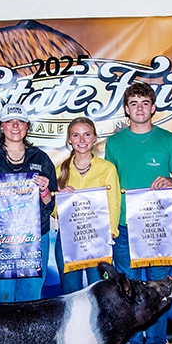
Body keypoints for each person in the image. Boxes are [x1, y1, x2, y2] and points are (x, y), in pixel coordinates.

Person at [105, 81, 172, 344]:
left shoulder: (169, 140)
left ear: (153, 108)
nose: (139, 109)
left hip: (158, 226)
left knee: (158, 288)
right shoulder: (114, 143)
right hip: (126, 226)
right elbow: (109, 184)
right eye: (133, 104)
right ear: (126, 110)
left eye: (144, 103)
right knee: (127, 288)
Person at [0, 103, 57, 302]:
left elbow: (50, 206)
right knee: (1, 301)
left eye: (20, 121)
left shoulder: (41, 159)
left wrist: (44, 191)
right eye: (9, 121)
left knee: (31, 300)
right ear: (1, 126)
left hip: (33, 241)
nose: (15, 126)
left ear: (27, 126)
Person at [53, 117, 120, 294]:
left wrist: (111, 233)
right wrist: (60, 198)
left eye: (87, 134)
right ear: (69, 139)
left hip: (99, 237)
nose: (82, 140)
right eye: (76, 135)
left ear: (95, 138)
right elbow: (53, 211)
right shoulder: (59, 170)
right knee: (70, 292)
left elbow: (113, 202)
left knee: (100, 291)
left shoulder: (107, 168)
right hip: (68, 238)